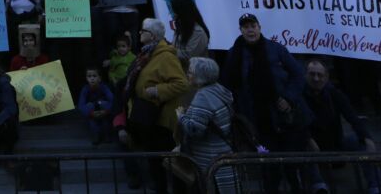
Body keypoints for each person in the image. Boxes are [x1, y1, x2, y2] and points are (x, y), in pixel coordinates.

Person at [221, 13, 311, 193]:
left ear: (259, 27)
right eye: (246, 27)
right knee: (269, 170)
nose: (250, 30)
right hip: (256, 119)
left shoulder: (276, 49)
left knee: (291, 167)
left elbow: (298, 75)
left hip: (283, 117)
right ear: (240, 30)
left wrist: (288, 98)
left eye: (253, 25)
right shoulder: (235, 53)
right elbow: (228, 83)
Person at [123, 18, 188, 193]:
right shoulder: (146, 54)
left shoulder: (165, 56)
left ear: (152, 35)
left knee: (166, 166)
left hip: (161, 120)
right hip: (149, 119)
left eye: (142, 31)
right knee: (155, 165)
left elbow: (181, 83)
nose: (139, 33)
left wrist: (156, 91)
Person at [303, 58, 381, 194]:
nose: (316, 78)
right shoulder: (299, 94)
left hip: (336, 140)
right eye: (312, 74)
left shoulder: (334, 94)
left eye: (320, 75)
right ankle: (319, 186)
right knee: (302, 147)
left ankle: (376, 187)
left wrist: (367, 138)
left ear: (327, 77)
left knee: (361, 144)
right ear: (306, 75)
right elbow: (298, 123)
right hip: (311, 142)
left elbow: (352, 117)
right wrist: (309, 140)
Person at [176, 56, 235, 192]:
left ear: (200, 76)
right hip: (222, 152)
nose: (187, 75)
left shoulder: (203, 97)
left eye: (190, 72)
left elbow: (195, 129)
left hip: (209, 157)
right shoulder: (219, 89)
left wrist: (181, 117)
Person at [78, 65, 115, 145]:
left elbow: (113, 100)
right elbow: (81, 105)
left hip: (104, 111)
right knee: (92, 119)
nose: (92, 78)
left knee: (106, 121)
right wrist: (91, 113)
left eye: (94, 76)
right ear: (86, 78)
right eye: (89, 76)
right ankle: (96, 138)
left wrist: (106, 111)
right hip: (92, 112)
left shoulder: (104, 88)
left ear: (99, 78)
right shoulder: (85, 89)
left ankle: (107, 137)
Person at [170, 0, 210, 65]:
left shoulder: (198, 32)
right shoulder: (181, 29)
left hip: (195, 73)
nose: (174, 15)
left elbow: (188, 56)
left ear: (182, 12)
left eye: (175, 12)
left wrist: (167, 49)